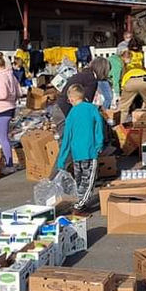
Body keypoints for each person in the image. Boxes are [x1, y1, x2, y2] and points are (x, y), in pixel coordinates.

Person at [54, 84, 105, 213]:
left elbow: (66, 138)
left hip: (76, 153)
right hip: (90, 151)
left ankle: (80, 201)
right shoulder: (92, 109)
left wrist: (62, 159)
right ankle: (80, 204)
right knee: (89, 180)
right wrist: (99, 143)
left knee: (79, 180)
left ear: (71, 99)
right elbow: (99, 127)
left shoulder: (71, 114)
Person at [51, 58, 108, 130]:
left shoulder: (83, 75)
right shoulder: (91, 81)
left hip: (60, 106)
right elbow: (84, 104)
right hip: (66, 110)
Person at [0, 53, 20, 170]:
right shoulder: (11, 75)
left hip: (2, 109)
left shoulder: (1, 77)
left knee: (2, 137)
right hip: (10, 108)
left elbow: (3, 94)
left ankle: (9, 164)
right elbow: (18, 92)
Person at [118, 48, 146, 123]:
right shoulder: (141, 68)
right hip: (144, 80)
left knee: (123, 107)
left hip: (130, 81)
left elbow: (122, 81)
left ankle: (120, 126)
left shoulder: (126, 68)